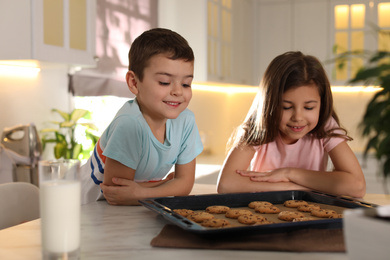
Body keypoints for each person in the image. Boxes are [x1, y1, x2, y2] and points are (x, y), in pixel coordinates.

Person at [217, 51, 366, 198]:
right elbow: (226, 184)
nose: (298, 117)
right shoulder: (259, 125)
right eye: (286, 107)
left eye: (309, 107)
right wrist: (292, 187)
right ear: (270, 104)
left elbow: (357, 186)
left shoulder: (325, 125)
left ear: (322, 104)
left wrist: (288, 173)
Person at [81, 28, 203, 205]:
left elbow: (184, 184)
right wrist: (164, 186)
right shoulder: (129, 125)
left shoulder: (186, 121)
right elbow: (118, 196)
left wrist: (142, 192)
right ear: (134, 82)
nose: (178, 91)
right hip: (86, 210)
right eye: (164, 82)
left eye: (186, 84)